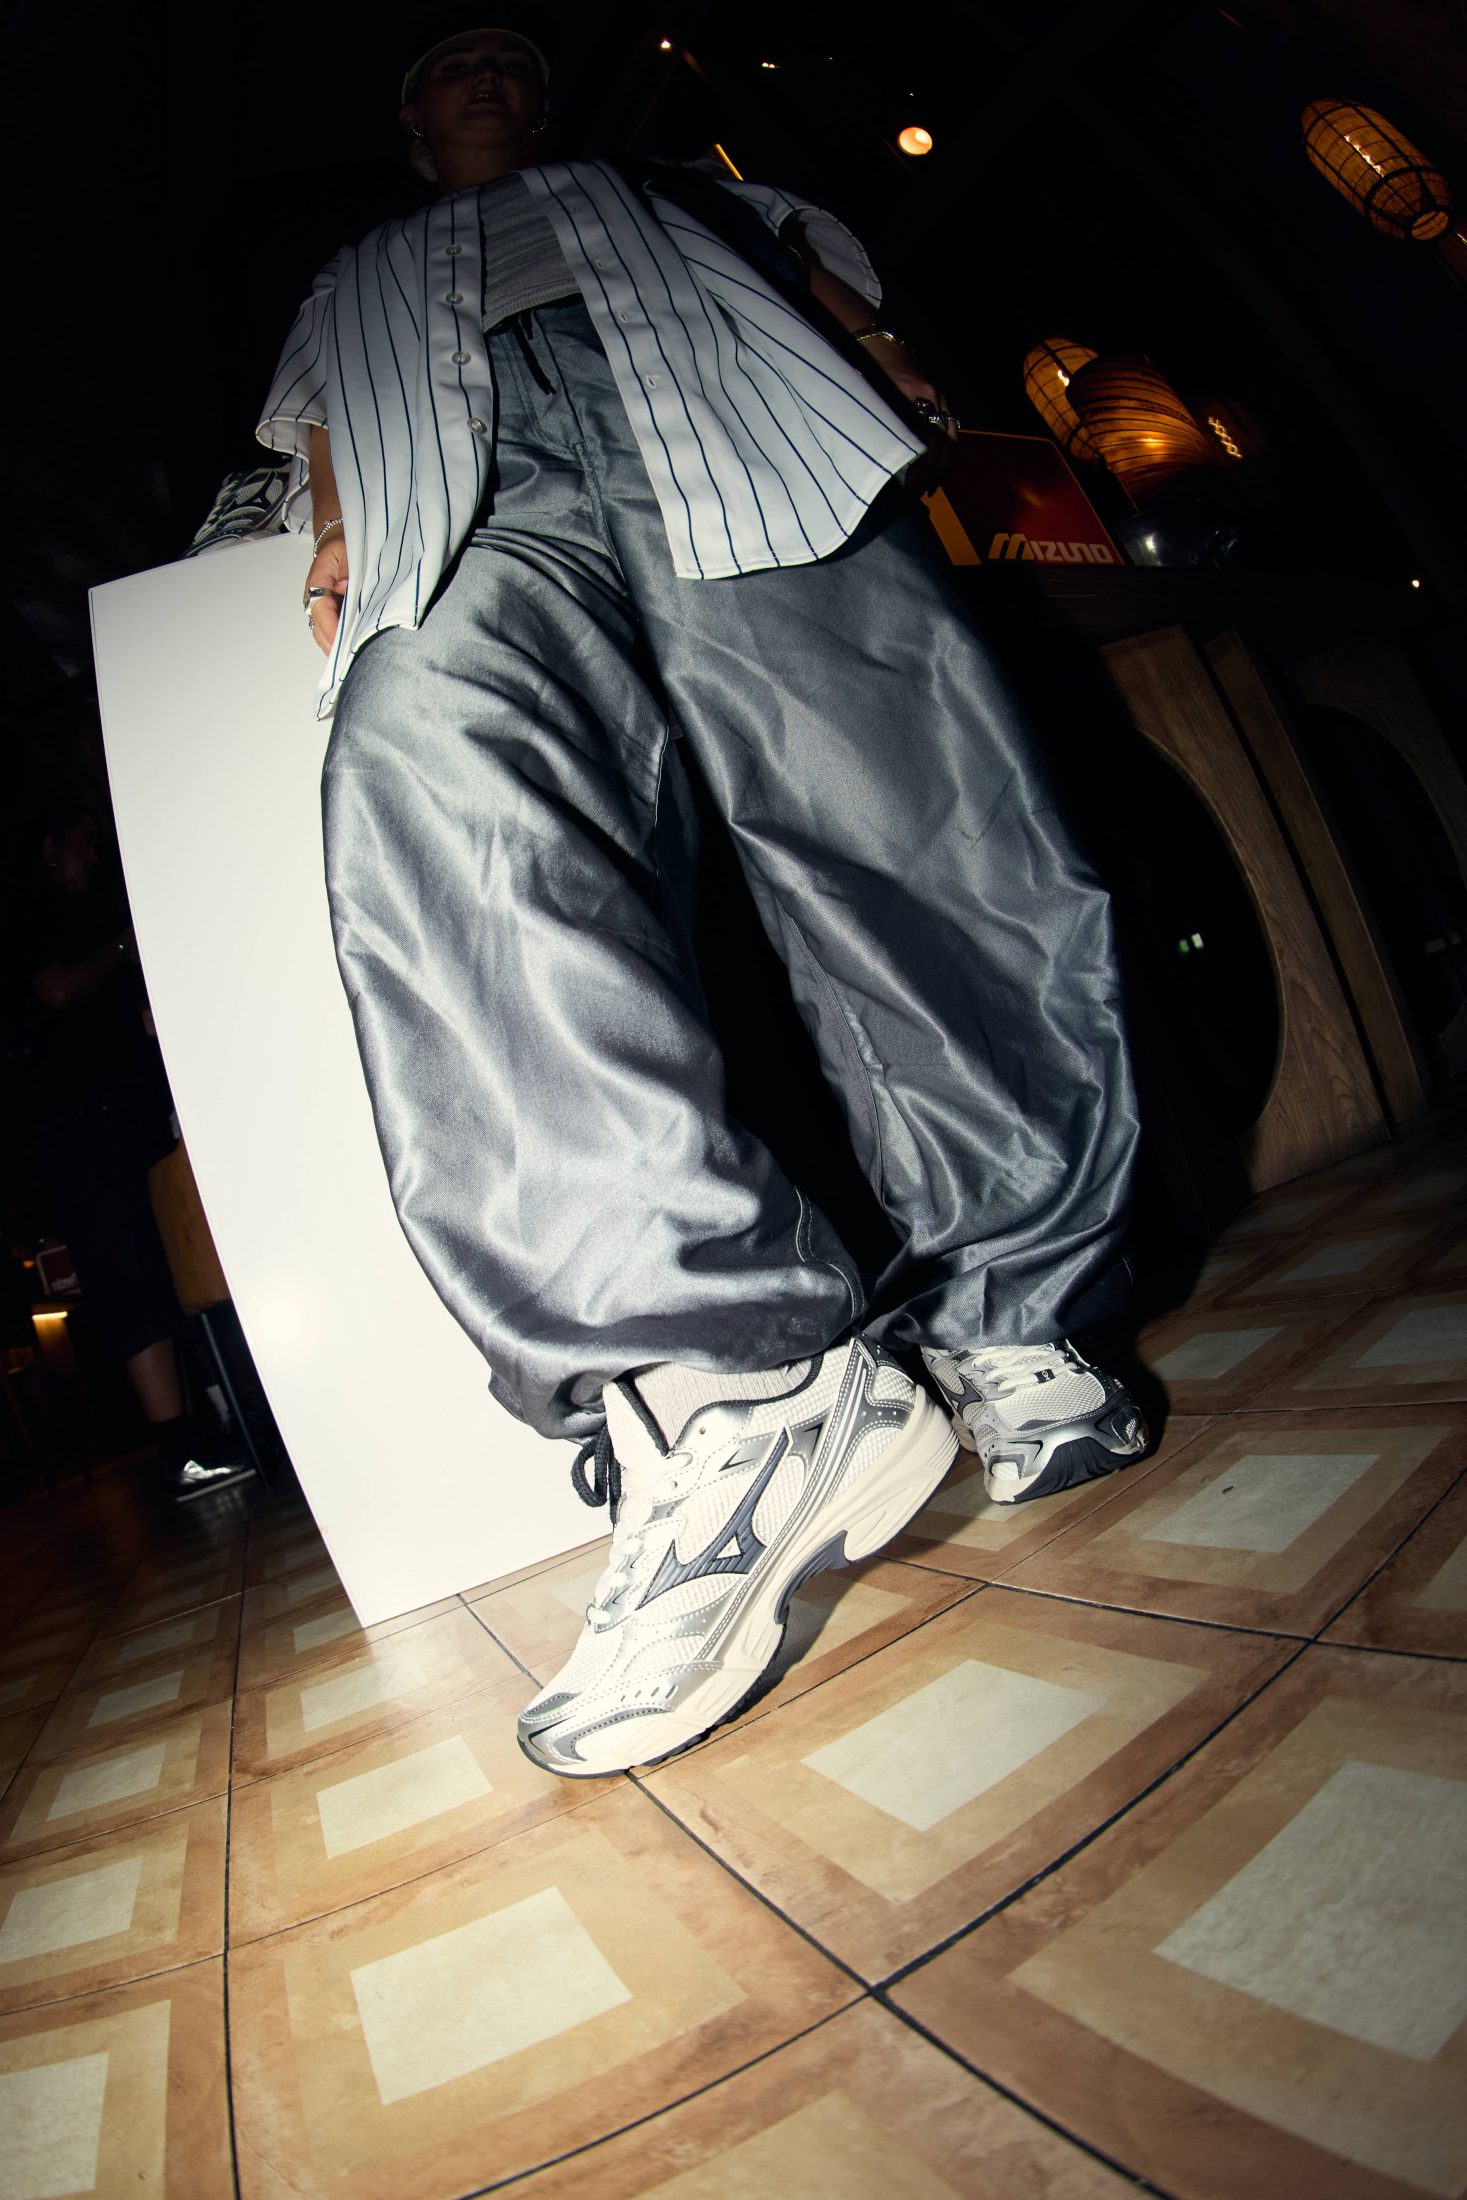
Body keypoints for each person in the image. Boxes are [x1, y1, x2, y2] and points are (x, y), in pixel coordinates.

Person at [258, 23, 1147, 1776]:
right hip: (465, 504)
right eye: (454, 59)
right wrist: (340, 542)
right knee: (426, 789)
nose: (492, 70)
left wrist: (879, 367)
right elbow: (328, 444)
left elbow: (839, 309)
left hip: (730, 426)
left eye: (515, 52)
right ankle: (731, 1380)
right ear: (408, 117)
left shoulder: (674, 188)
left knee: (901, 830)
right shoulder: (347, 274)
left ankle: (1019, 1313)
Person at [19, 803, 254, 1501]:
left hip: (128, 1120)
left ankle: (207, 1432)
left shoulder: (93, 917)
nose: (93, 855)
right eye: (82, 843)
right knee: (130, 1285)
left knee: (165, 1274)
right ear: (48, 848)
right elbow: (55, 988)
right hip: (81, 1128)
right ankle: (179, 1450)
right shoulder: (34, 918)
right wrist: (122, 950)